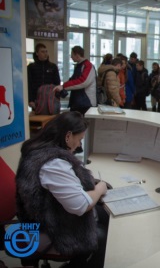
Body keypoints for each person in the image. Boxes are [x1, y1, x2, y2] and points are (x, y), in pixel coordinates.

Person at [15, 111, 109, 267]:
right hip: (44, 227)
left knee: (105, 214)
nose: (79, 145)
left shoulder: (40, 149)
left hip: (47, 213)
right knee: (103, 237)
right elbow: (81, 206)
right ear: (68, 136)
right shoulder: (52, 164)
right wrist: (100, 188)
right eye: (79, 140)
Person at [53, 46, 96, 115]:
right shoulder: (80, 66)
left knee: (81, 124)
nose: (71, 57)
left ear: (77, 55)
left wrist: (64, 86)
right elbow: (74, 80)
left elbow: (83, 81)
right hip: (79, 102)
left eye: (72, 55)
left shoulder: (87, 66)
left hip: (86, 103)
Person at [27, 43, 61, 110]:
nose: (45, 54)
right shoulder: (31, 67)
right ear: (37, 53)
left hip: (50, 98)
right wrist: (30, 100)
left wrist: (57, 97)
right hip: (36, 98)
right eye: (42, 52)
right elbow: (29, 84)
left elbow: (57, 83)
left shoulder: (53, 67)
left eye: (46, 51)